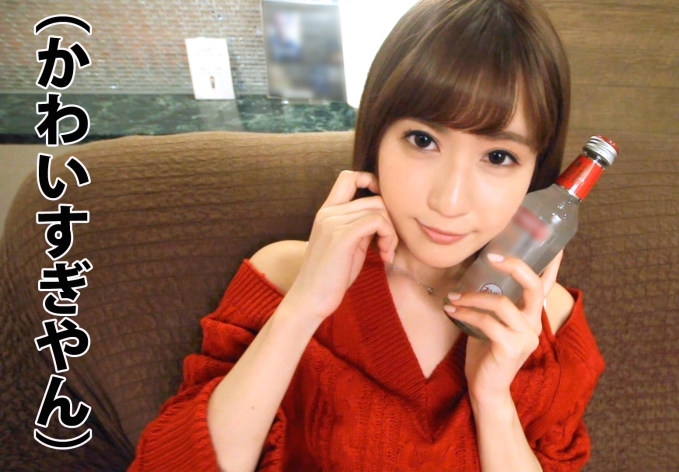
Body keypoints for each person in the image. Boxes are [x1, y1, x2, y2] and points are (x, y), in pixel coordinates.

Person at [129, 0, 605, 470]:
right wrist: (302, 309)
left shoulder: (550, 323)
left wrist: (493, 400)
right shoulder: (285, 275)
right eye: (423, 140)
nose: (450, 201)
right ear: (377, 137)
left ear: (536, 174)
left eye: (498, 157)